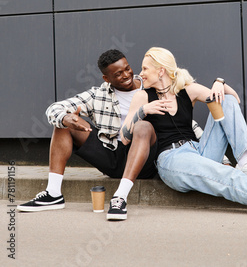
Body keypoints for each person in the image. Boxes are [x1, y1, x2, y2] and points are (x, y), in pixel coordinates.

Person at [118, 47, 247, 220]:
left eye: (145, 69)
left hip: (198, 150)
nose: (141, 74)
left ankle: (244, 162)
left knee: (224, 100)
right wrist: (143, 111)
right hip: (172, 159)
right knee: (227, 176)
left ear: (161, 70)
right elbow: (124, 138)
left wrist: (219, 82)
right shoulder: (142, 96)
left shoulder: (187, 90)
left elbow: (234, 101)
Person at [17, 49, 158, 212]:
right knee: (65, 121)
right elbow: (54, 108)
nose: (126, 75)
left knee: (143, 126)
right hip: (111, 156)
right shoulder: (99, 95)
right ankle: (53, 194)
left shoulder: (150, 87)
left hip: (144, 159)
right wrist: (65, 118)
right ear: (107, 78)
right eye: (118, 74)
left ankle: (120, 198)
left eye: (127, 69)